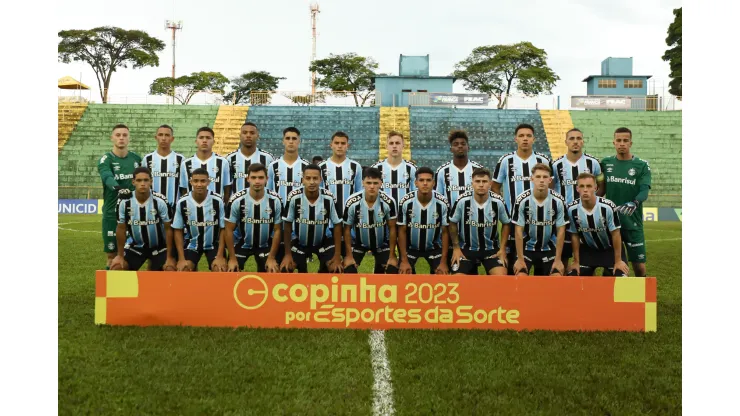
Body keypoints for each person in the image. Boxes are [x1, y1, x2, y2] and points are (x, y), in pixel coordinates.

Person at [492, 123, 553, 274]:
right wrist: (505, 208)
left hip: (540, 218)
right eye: (521, 136)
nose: (525, 139)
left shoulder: (543, 160)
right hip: (514, 219)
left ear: (534, 139)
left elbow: (551, 187)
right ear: (516, 139)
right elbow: (495, 186)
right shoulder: (506, 160)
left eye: (528, 136)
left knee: (541, 262)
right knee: (516, 263)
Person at [599, 127, 651, 277]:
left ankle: (640, 299)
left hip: (632, 223)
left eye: (625, 140)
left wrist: (634, 202)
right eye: (619, 140)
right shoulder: (606, 163)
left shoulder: (641, 165)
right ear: (613, 142)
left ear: (631, 143)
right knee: (611, 267)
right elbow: (601, 190)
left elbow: (644, 190)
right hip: (611, 223)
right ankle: (610, 299)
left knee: (639, 266)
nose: (622, 143)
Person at [550, 128, 602, 270]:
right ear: (566, 142)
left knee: (587, 259)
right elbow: (551, 189)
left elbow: (602, 186)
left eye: (579, 138)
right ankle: (564, 288)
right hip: (565, 218)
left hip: (586, 217)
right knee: (564, 257)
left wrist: (593, 205)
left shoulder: (594, 163)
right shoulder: (556, 165)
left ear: (583, 141)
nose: (575, 142)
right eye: (572, 138)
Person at [280, 164, 344, 273]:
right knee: (286, 268)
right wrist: (287, 254)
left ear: (321, 180)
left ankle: (323, 270)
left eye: (315, 178)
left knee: (335, 269)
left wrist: (337, 256)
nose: (312, 182)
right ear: (302, 180)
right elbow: (287, 225)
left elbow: (337, 225)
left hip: (323, 241)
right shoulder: (294, 197)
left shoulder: (329, 197)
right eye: (308, 178)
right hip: (299, 241)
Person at [110, 167, 175, 271]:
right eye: (139, 180)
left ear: (151, 181)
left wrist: (170, 257)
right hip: (136, 247)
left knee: (170, 268)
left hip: (159, 247)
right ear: (133, 182)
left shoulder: (160, 201)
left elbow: (168, 229)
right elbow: (121, 229)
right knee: (117, 267)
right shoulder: (124, 202)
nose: (143, 183)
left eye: (146, 180)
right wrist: (120, 256)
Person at [448, 168, 510, 275]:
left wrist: (502, 249)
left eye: (484, 181)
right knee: (458, 280)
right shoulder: (462, 201)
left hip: (491, 250)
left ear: (490, 183)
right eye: (477, 181)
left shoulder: (498, 202)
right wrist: (456, 248)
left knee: (501, 278)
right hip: (466, 249)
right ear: (472, 183)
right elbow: (452, 223)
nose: (481, 185)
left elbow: (506, 223)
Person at [566, 173, 629, 276]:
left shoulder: (608, 207)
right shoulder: (572, 209)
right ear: (577, 188)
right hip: (588, 250)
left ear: (595, 188)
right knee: (573, 277)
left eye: (589, 186)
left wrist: (618, 261)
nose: (585, 189)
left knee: (620, 277)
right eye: (582, 186)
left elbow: (616, 234)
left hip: (610, 250)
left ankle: (609, 271)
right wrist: (576, 261)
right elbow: (574, 235)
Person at [97, 124, 142, 269]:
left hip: (133, 214)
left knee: (135, 254)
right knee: (112, 256)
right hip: (112, 214)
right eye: (118, 135)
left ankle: (131, 288)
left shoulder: (136, 159)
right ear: (112, 138)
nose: (121, 138)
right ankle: (112, 290)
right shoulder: (106, 159)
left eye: (124, 135)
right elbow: (107, 176)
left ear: (129, 138)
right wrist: (118, 188)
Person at [224, 164, 283, 273]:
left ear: (266, 179)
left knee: (273, 270)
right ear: (248, 179)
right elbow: (228, 229)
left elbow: (277, 230)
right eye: (253, 177)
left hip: (265, 244)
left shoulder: (275, 200)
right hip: (242, 243)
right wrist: (232, 258)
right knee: (231, 271)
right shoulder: (237, 200)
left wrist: (271, 258)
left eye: (261, 178)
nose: (257, 181)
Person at [511, 163, 568, 276]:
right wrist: (520, 259)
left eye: (545, 177)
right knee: (521, 277)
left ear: (550, 180)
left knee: (557, 278)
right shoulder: (522, 200)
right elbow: (518, 231)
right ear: (532, 179)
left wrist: (558, 260)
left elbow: (561, 231)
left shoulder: (558, 201)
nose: (541, 180)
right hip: (527, 248)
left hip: (549, 247)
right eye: (538, 177)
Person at [342, 167, 398, 274]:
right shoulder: (352, 202)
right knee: (348, 268)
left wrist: (392, 255)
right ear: (363, 183)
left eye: (375, 183)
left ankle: (379, 269)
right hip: (358, 243)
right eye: (368, 183)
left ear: (381, 183)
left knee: (392, 268)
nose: (372, 186)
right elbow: (347, 229)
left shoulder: (389, 202)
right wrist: (349, 256)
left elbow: (392, 228)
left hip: (381, 244)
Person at [172, 168, 228, 272]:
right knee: (184, 268)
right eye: (196, 181)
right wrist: (181, 259)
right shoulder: (182, 202)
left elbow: (224, 228)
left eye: (203, 181)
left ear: (208, 182)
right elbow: (178, 230)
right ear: (191, 182)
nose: (199, 184)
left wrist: (220, 256)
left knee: (219, 268)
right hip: (192, 244)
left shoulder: (217, 201)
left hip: (213, 244)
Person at [397, 167, 450, 275]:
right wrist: (404, 260)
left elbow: (445, 232)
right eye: (421, 180)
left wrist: (444, 262)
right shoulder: (405, 202)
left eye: (428, 180)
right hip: (411, 248)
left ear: (433, 183)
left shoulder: (443, 203)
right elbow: (401, 231)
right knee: (403, 273)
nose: (425, 183)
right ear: (416, 183)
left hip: (435, 248)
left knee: (442, 274)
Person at [179, 127, 232, 201]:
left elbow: (227, 189)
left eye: (208, 138)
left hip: (215, 208)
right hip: (192, 209)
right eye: (201, 138)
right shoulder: (186, 164)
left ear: (213, 141)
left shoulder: (223, 162)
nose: (204, 141)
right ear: (196, 141)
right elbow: (183, 190)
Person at [142, 124, 184, 216]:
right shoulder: (147, 159)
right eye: (160, 135)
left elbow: (184, 186)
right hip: (151, 207)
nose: (163, 138)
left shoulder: (181, 160)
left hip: (174, 208)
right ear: (156, 137)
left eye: (167, 135)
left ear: (172, 139)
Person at [434, 130, 483, 202]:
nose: (460, 146)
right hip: (450, 213)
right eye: (456, 144)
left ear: (468, 148)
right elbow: (437, 198)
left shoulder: (478, 170)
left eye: (463, 144)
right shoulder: (442, 171)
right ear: (451, 149)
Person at [371, 131, 417, 209]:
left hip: (405, 215)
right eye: (391, 143)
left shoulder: (412, 168)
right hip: (381, 214)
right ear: (386, 146)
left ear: (403, 146)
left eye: (397, 143)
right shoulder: (376, 168)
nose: (394, 146)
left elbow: (416, 194)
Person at [226, 122, 275, 193]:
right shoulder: (230, 158)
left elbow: (272, 184)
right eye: (245, 133)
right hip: (236, 203)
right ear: (240, 135)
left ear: (258, 136)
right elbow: (227, 185)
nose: (248, 135)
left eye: (252, 133)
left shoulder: (268, 158)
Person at [267, 127, 309, 202]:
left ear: (299, 141)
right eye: (287, 138)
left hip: (300, 210)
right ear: (283, 141)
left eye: (294, 138)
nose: (291, 141)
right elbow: (268, 191)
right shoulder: (273, 166)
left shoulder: (306, 166)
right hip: (279, 211)